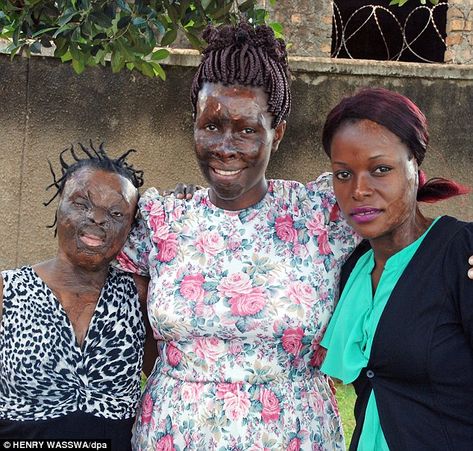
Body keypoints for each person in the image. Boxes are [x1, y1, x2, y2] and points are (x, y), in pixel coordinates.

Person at [116, 22, 358, 450]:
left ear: (276, 133)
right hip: (173, 435)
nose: (225, 146)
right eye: (211, 126)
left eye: (247, 130)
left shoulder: (322, 215)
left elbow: (403, 208)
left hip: (295, 436)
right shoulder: (159, 219)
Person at [320, 88, 473, 450]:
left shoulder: (460, 256)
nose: (359, 190)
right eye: (343, 174)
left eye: (381, 169)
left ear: (414, 166)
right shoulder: (355, 268)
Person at [0, 144, 150, 450]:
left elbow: (175, 376)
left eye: (116, 212)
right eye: (82, 203)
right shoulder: (6, 291)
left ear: (131, 227)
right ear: (59, 206)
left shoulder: (139, 295)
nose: (96, 218)